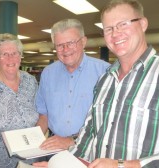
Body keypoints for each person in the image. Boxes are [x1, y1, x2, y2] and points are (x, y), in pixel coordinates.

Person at [33, 0, 159, 167]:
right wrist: (59, 165)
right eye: (108, 29)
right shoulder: (105, 80)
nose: (115, 34)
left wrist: (123, 165)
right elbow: (88, 136)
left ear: (142, 24)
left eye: (123, 24)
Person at [35, 19, 110, 151]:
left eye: (70, 43)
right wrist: (32, 142)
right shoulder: (48, 74)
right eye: (59, 45)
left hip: (90, 148)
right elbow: (44, 115)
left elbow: (110, 119)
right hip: (54, 147)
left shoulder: (105, 72)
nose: (65, 49)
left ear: (83, 42)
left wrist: (71, 140)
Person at [0, 33, 39, 168]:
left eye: (15, 53)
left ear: (20, 56)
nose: (10, 58)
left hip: (29, 160)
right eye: (4, 54)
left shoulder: (30, 81)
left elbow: (41, 112)